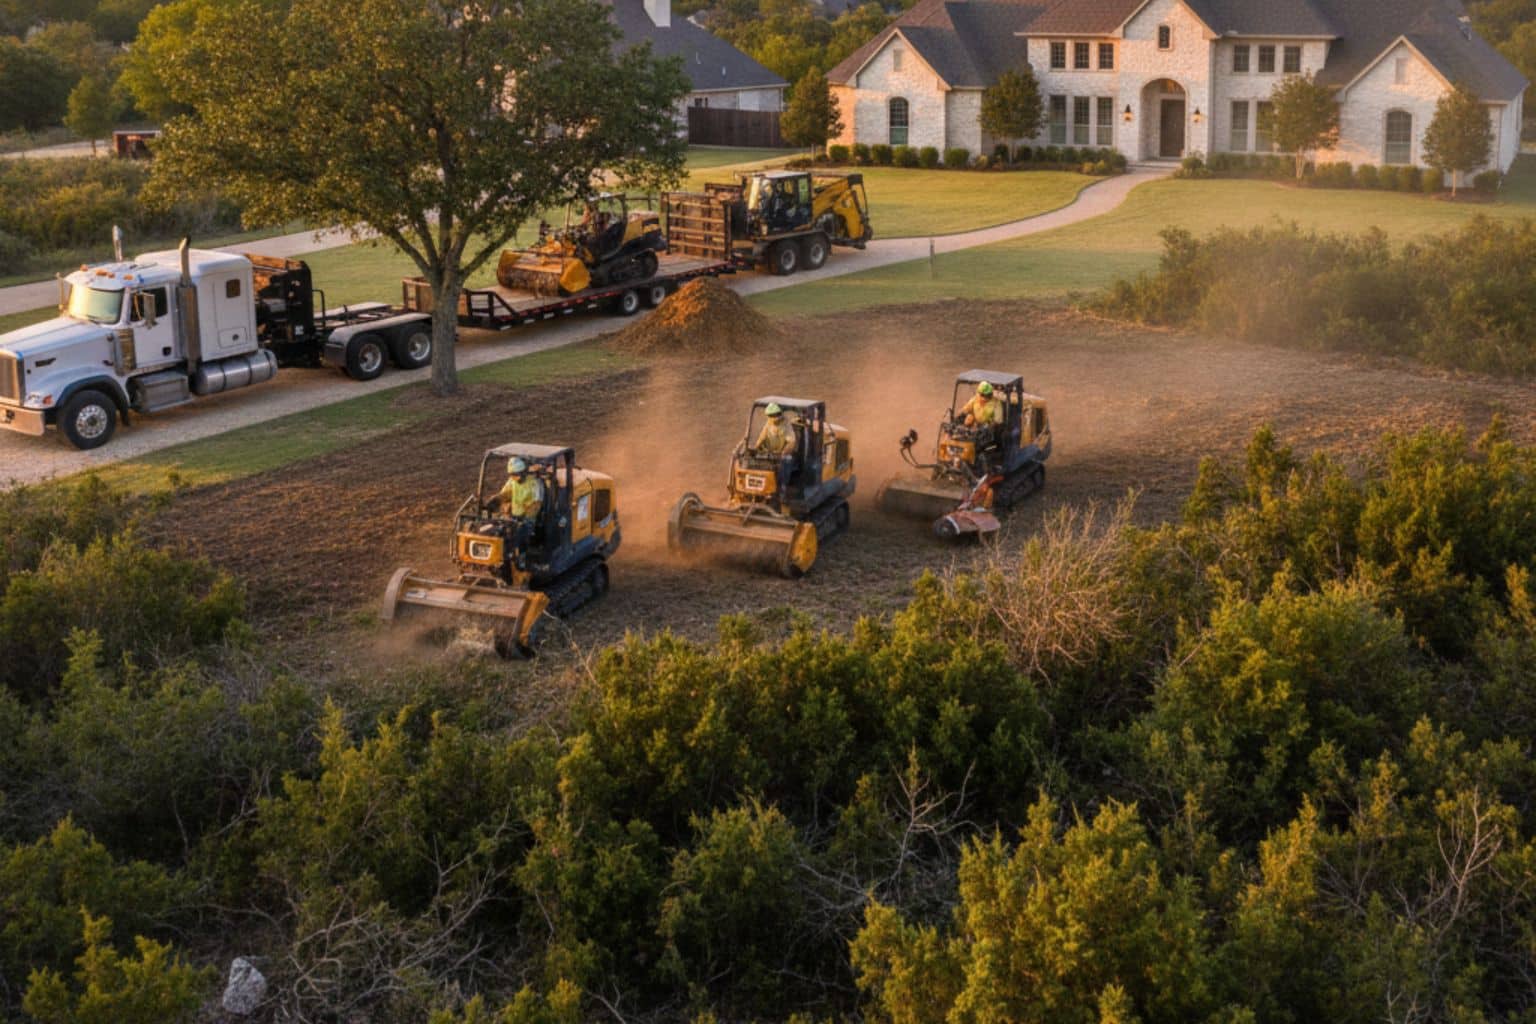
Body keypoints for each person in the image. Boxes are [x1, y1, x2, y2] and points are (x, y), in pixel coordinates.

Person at [498, 457, 545, 550]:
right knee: (499, 530)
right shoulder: (512, 481)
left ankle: (520, 553)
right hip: (513, 517)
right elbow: (505, 494)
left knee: (516, 536)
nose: (515, 478)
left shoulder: (535, 483)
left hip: (528, 519)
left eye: (517, 475)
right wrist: (497, 499)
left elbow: (536, 505)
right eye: (512, 475)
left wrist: (524, 518)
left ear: (524, 472)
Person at [958, 381, 1005, 451]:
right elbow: (965, 409)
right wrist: (960, 414)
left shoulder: (996, 403)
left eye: (988, 395)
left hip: (989, 431)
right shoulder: (975, 399)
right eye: (983, 395)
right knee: (968, 418)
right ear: (980, 393)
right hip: (974, 426)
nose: (985, 398)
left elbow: (998, 421)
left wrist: (987, 426)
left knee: (978, 442)